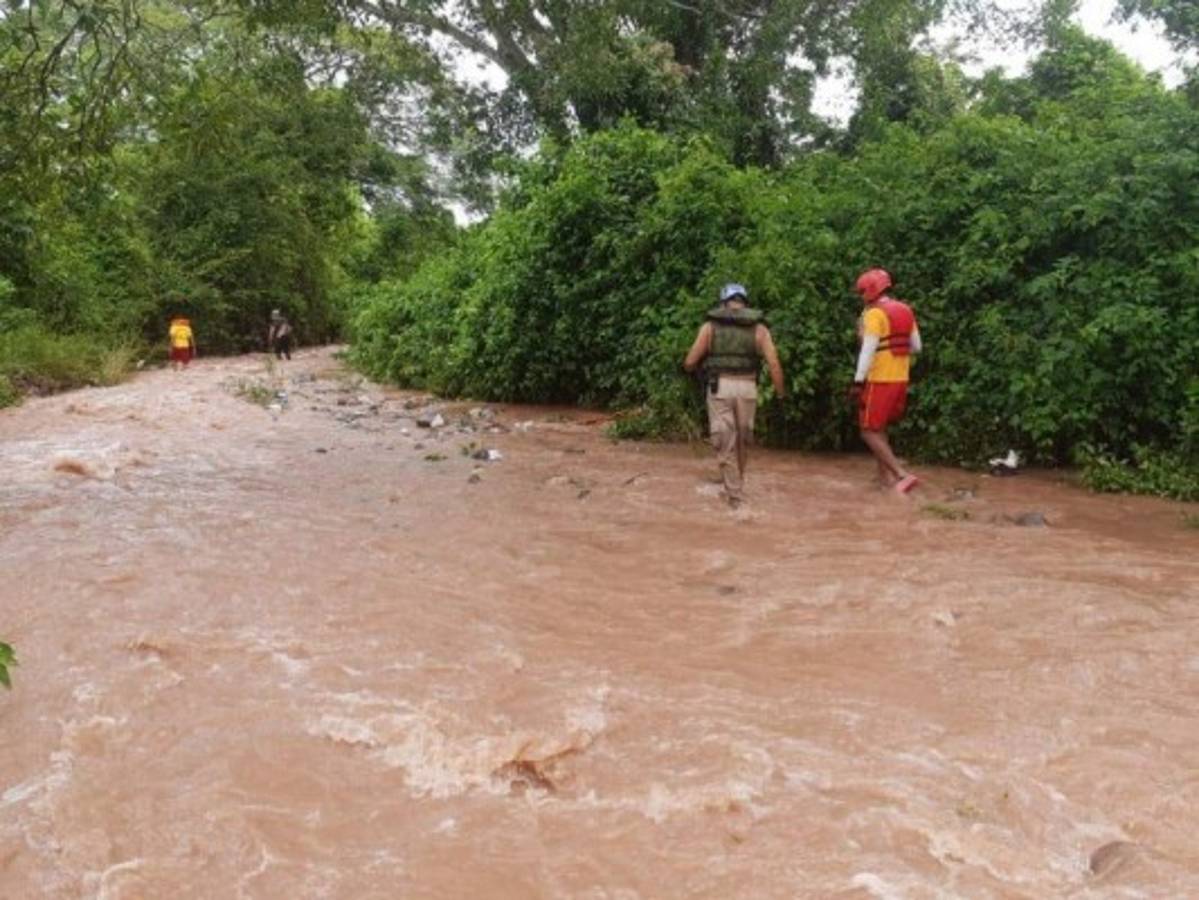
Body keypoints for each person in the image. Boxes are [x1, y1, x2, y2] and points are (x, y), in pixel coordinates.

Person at [683, 282, 786, 508]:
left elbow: (690, 361)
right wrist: (780, 394)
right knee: (742, 440)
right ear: (745, 303)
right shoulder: (760, 330)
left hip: (720, 388)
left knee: (724, 442)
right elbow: (774, 364)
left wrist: (692, 369)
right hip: (748, 388)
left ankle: (736, 499)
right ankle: (737, 486)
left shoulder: (710, 327)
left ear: (723, 303)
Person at [850, 268, 921, 493]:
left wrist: (858, 381)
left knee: (868, 431)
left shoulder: (873, 314)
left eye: (862, 292)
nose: (861, 296)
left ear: (870, 291)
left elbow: (867, 351)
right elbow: (917, 347)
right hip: (901, 378)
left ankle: (901, 475)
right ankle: (883, 480)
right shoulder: (906, 310)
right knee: (879, 428)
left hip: (880, 379)